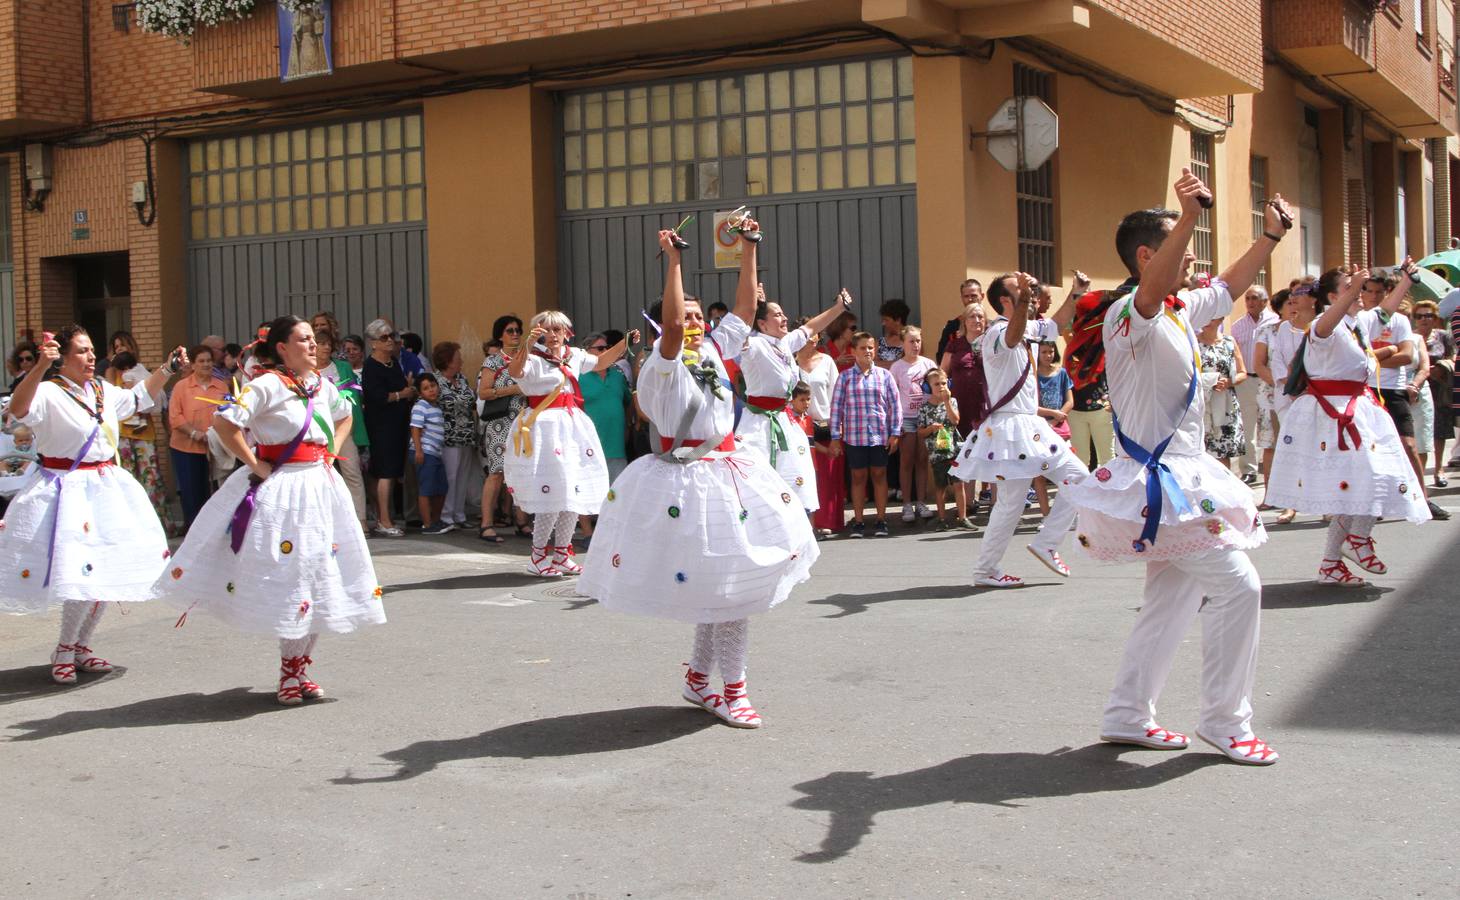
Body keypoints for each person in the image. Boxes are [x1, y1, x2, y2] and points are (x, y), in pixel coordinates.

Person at [1065, 170, 1288, 766]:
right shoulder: (1125, 315)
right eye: (1179, 244)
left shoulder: (1180, 306)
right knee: (1240, 587)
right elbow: (1153, 288)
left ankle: (1127, 714)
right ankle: (1225, 721)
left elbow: (1232, 283)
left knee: (1171, 600)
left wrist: (1271, 237)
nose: (1192, 257)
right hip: (1159, 481)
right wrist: (1188, 216)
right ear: (1147, 255)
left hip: (1183, 479)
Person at [579, 227, 818, 730]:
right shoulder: (662, 365)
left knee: (723, 588)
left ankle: (699, 680)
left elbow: (746, 311)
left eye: (695, 314)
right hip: (683, 484)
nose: (690, 321)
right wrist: (673, 261)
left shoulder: (711, 347)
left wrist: (751, 247)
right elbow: (668, 327)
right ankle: (732, 690)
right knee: (729, 590)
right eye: (681, 314)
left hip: (727, 475)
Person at [157, 316, 383, 706]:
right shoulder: (265, 385)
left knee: (320, 573)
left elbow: (345, 414)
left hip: (320, 486)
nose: (314, 346)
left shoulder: (321, 385)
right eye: (304, 340)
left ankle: (300, 667)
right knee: (293, 576)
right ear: (282, 347)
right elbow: (226, 423)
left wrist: (330, 452)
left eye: (315, 339)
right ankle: (290, 671)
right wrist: (255, 464)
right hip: (284, 489)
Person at [0, 325, 186, 683]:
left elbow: (136, 399)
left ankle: (82, 645)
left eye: (91, 350)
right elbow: (19, 409)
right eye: (82, 351)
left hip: (105, 487)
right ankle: (65, 648)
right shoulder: (48, 392)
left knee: (107, 569)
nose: (90, 357)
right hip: (66, 490)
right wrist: (40, 366)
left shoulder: (101, 389)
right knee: (81, 571)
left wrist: (166, 370)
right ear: (63, 358)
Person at [1265, 265, 1431, 586]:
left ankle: (1334, 559)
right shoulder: (1325, 326)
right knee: (1367, 478)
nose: (1362, 290)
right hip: (1332, 415)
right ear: (1332, 296)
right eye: (1353, 287)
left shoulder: (1357, 323)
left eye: (1363, 286)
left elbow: (1384, 312)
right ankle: (1355, 541)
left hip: (1359, 410)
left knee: (1362, 484)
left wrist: (1407, 280)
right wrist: (1354, 290)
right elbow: (1326, 327)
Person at [949, 273, 1088, 587]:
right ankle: (986, 570)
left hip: (1029, 426)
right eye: (1020, 290)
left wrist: (1076, 294)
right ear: (1005, 300)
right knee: (1011, 503)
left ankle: (1045, 543)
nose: (1032, 292)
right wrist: (1026, 296)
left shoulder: (1027, 328)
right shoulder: (997, 332)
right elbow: (1012, 338)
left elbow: (1055, 324)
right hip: (1011, 429)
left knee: (1079, 479)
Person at [505, 311, 637, 577]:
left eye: (558, 330)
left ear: (567, 332)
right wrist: (526, 347)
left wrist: (625, 343)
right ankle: (538, 554)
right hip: (545, 427)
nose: (553, 335)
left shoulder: (573, 355)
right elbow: (515, 371)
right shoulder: (532, 358)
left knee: (571, 492)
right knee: (551, 493)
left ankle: (562, 553)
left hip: (571, 427)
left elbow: (601, 361)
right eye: (546, 330)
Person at [728, 275, 850, 514]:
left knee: (794, 480)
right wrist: (752, 304)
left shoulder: (784, 344)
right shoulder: (754, 345)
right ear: (762, 324)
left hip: (785, 420)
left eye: (783, 314)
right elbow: (739, 331)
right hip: (759, 423)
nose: (784, 318)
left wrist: (839, 308)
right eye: (777, 315)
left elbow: (812, 326)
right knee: (757, 482)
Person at [829, 332, 901, 537]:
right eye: (863, 348)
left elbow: (895, 406)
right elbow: (837, 408)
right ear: (853, 351)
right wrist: (835, 436)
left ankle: (880, 519)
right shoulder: (845, 378)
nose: (867, 351)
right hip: (854, 436)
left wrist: (895, 432)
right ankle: (858, 521)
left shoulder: (885, 376)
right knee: (858, 476)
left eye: (870, 347)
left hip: (879, 435)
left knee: (879, 475)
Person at [104, 347, 178, 536]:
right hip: (127, 435)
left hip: (141, 435)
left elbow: (135, 400)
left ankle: (157, 525)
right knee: (132, 479)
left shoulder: (131, 377)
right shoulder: (128, 377)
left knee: (148, 479)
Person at [1051, 269, 1118, 470]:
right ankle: (1084, 501)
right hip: (1076, 408)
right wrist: (1077, 293)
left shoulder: (1106, 338)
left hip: (1102, 407)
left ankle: (1111, 498)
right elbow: (1065, 325)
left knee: (1108, 459)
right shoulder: (1073, 342)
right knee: (1080, 462)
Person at [361, 318, 414, 536]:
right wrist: (403, 393)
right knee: (386, 472)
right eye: (384, 337)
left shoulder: (393, 363)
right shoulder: (371, 366)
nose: (390, 340)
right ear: (373, 343)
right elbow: (376, 396)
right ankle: (385, 520)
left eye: (391, 335)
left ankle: (382, 515)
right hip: (382, 425)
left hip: (397, 422)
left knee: (385, 472)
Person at [167, 344, 228, 531]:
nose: (206, 364)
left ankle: (212, 532)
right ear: (192, 365)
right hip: (186, 448)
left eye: (209, 360)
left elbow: (229, 412)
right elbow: (175, 417)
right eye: (201, 361)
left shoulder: (221, 385)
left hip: (214, 447)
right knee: (192, 492)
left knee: (215, 492)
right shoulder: (181, 387)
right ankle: (193, 532)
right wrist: (194, 433)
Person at [477, 318, 527, 543]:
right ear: (501, 335)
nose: (515, 334)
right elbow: (484, 392)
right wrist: (512, 389)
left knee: (523, 472)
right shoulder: (493, 361)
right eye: (510, 331)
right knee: (496, 473)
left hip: (525, 422)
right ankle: (486, 524)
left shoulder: (528, 358)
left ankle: (522, 521)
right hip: (500, 423)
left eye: (518, 330)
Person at [939, 301, 988, 529]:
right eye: (972, 317)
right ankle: (967, 505)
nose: (976, 321)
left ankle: (996, 502)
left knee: (989, 452)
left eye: (980, 317)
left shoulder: (990, 342)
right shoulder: (955, 345)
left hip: (985, 405)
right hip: (961, 406)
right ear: (965, 321)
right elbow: (941, 372)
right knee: (964, 452)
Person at [315, 330, 367, 529]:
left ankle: (360, 521)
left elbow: (355, 397)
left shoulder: (343, 367)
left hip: (342, 427)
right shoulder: (307, 371)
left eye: (328, 343)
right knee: (320, 474)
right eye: (321, 343)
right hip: (318, 430)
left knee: (352, 472)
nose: (326, 347)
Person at [795, 326, 844, 537]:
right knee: (804, 475)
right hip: (797, 423)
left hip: (825, 423)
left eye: (816, 334)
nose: (813, 338)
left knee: (827, 476)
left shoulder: (827, 361)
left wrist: (837, 433)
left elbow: (836, 396)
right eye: (808, 334)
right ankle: (805, 523)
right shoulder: (790, 360)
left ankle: (828, 521)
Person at [1228, 286, 1276, 482]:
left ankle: (1272, 466)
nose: (1250, 302)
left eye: (1255, 298)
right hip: (1246, 380)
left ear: (1265, 301)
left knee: (1271, 424)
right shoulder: (1238, 326)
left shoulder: (1275, 322)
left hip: (1269, 380)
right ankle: (1249, 469)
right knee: (1247, 426)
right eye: (1247, 298)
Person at [890, 325, 937, 522]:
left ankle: (921, 501)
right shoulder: (897, 367)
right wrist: (896, 423)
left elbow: (938, 387)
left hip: (925, 417)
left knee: (922, 460)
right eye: (911, 341)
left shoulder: (928, 364)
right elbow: (892, 396)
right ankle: (906, 504)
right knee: (907, 460)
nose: (916, 345)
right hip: (906, 418)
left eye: (918, 340)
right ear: (903, 343)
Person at [430, 341, 479, 530]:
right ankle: (446, 515)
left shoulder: (462, 378)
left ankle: (459, 514)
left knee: (463, 476)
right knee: (450, 476)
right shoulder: (436, 381)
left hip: (466, 435)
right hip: (448, 436)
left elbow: (471, 400)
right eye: (458, 358)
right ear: (448, 361)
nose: (461, 360)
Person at [1250, 289, 1290, 508]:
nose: (1294, 307)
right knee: (1271, 444)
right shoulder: (1267, 331)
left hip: (1300, 395)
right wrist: (1281, 384)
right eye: (1289, 303)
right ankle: (1271, 495)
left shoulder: (1306, 330)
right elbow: (1259, 364)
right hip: (1272, 394)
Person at [579, 333, 634, 484]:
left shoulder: (618, 375)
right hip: (587, 450)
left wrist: (628, 425)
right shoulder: (578, 376)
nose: (607, 352)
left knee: (617, 496)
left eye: (608, 348)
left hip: (617, 448)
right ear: (586, 352)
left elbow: (629, 402)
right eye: (601, 348)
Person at [1412, 299, 1455, 487]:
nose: (1424, 319)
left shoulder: (1443, 336)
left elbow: (1452, 355)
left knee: (1439, 431)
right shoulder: (1410, 337)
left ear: (1435, 318)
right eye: (1419, 316)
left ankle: (1439, 469)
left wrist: (1442, 366)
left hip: (1439, 388)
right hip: (1417, 388)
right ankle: (1417, 472)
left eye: (1428, 315)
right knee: (1418, 432)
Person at [1197, 317, 1248, 468]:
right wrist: (1209, 380)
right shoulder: (1192, 342)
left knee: (1223, 452)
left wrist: (1229, 382)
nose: (1206, 320)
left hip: (1226, 404)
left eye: (1211, 317)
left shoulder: (1229, 342)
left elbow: (1242, 372)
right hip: (1202, 403)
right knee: (1202, 453)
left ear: (1220, 319)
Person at [1033, 341, 1073, 517]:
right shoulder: (1032, 376)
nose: (1048, 355)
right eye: (1043, 352)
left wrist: (1057, 418)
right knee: (1039, 474)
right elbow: (1031, 405)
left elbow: (1070, 401)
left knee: (1062, 471)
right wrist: (1050, 416)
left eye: (1050, 351)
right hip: (1039, 427)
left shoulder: (1061, 373)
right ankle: (1046, 514)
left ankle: (1061, 513)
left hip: (1059, 427)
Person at [917, 367, 960, 528]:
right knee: (940, 486)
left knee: (958, 484)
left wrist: (947, 401)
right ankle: (942, 519)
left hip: (954, 450)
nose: (941, 387)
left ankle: (962, 517)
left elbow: (955, 421)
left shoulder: (952, 401)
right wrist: (930, 429)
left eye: (944, 383)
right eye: (936, 384)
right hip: (937, 454)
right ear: (928, 388)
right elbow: (920, 432)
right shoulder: (924, 408)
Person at [410, 372, 450, 534]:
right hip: (425, 452)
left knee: (441, 487)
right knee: (426, 489)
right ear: (420, 393)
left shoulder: (435, 406)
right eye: (426, 388)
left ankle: (436, 520)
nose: (431, 390)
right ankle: (427, 524)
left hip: (435, 453)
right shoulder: (421, 406)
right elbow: (415, 428)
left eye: (433, 386)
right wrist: (419, 451)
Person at [935, 279, 983, 359]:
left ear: (982, 296)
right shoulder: (952, 326)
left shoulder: (991, 325)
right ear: (961, 298)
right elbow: (941, 356)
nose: (970, 299)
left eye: (974, 295)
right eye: (966, 296)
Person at [875, 298, 910, 367]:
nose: (883, 324)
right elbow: (872, 365)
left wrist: (881, 364)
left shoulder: (912, 341)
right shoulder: (880, 343)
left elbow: (909, 364)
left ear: (898, 320)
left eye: (886, 320)